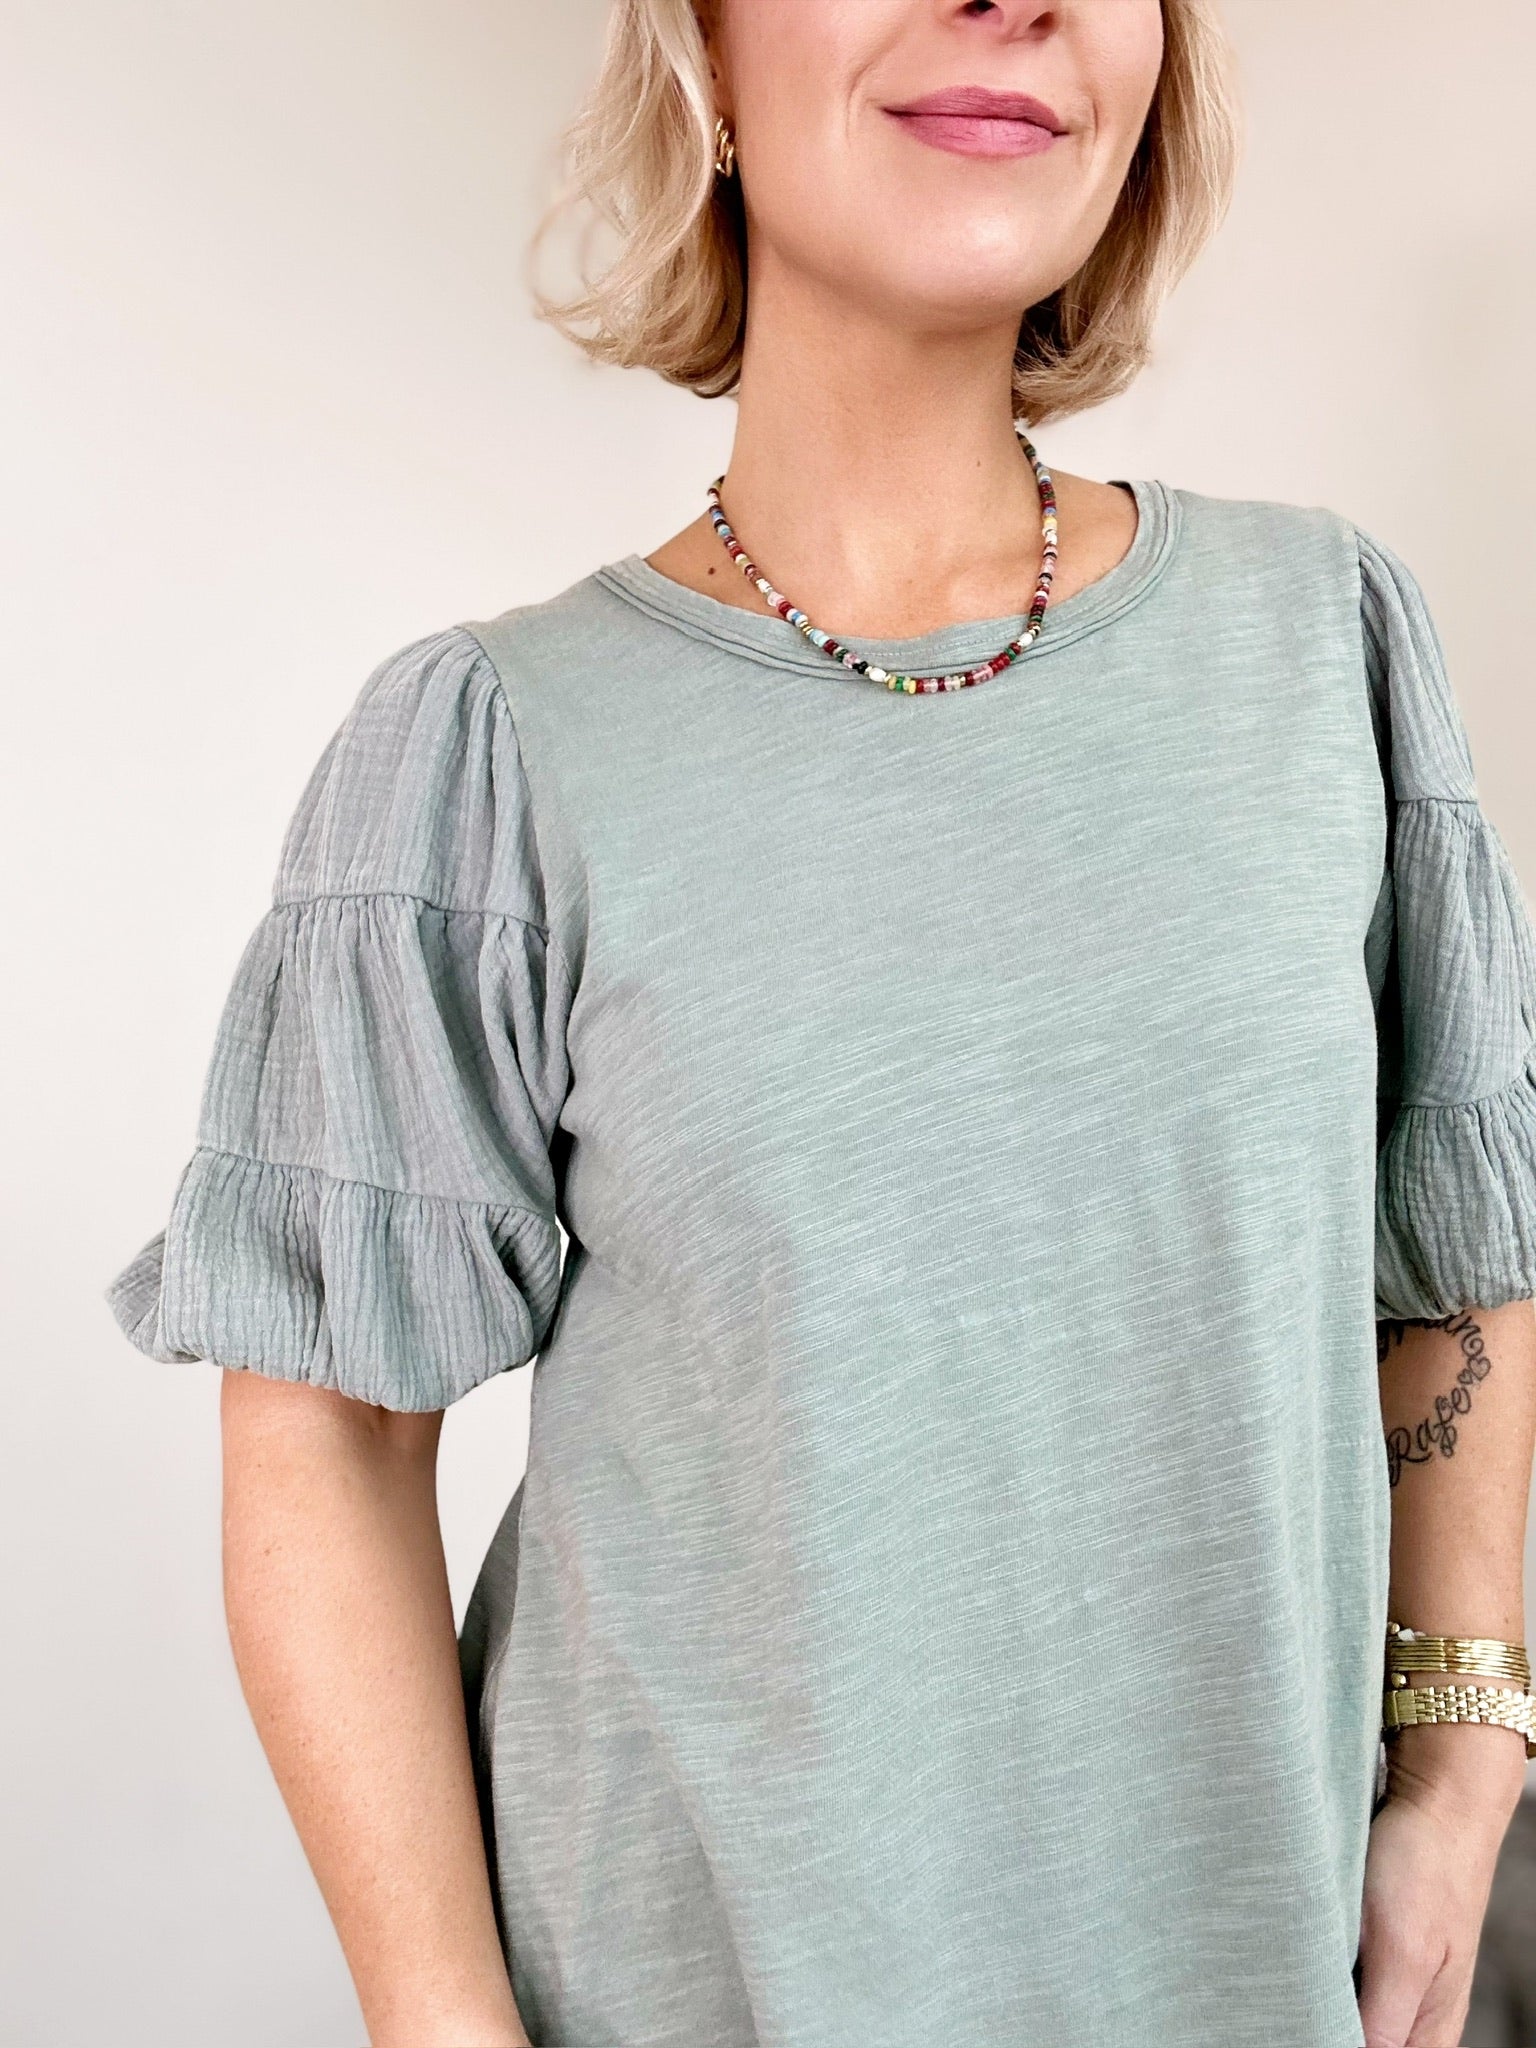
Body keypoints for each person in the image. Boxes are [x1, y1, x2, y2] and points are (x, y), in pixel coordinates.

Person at [106, 1, 1536, 2044]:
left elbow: (1459, 1224)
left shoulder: (1328, 642)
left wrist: (1462, 1754)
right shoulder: (490, 753)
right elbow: (328, 1442)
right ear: (698, 54)